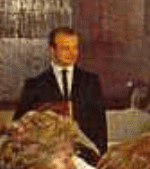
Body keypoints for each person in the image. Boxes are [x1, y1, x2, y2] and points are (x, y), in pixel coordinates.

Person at [15, 26, 108, 156]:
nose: (72, 53)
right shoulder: (34, 85)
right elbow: (20, 123)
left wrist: (101, 156)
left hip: (87, 154)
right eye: (66, 48)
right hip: (49, 157)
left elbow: (100, 125)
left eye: (75, 47)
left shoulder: (91, 82)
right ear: (52, 50)